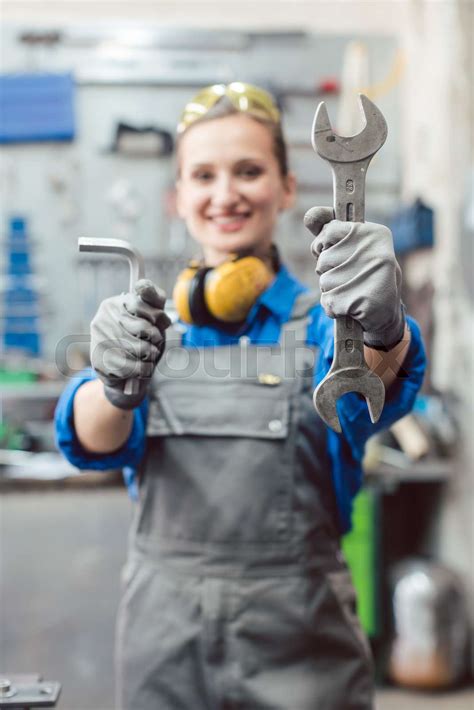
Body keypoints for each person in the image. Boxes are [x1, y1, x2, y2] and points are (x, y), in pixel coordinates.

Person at [55, 82, 425, 710]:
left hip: (300, 647)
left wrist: (383, 331)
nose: (225, 195)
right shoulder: (145, 328)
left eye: (249, 171)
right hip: (164, 648)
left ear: (286, 188)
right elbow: (90, 438)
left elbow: (373, 385)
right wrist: (113, 385)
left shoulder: (325, 325)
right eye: (203, 175)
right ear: (177, 198)